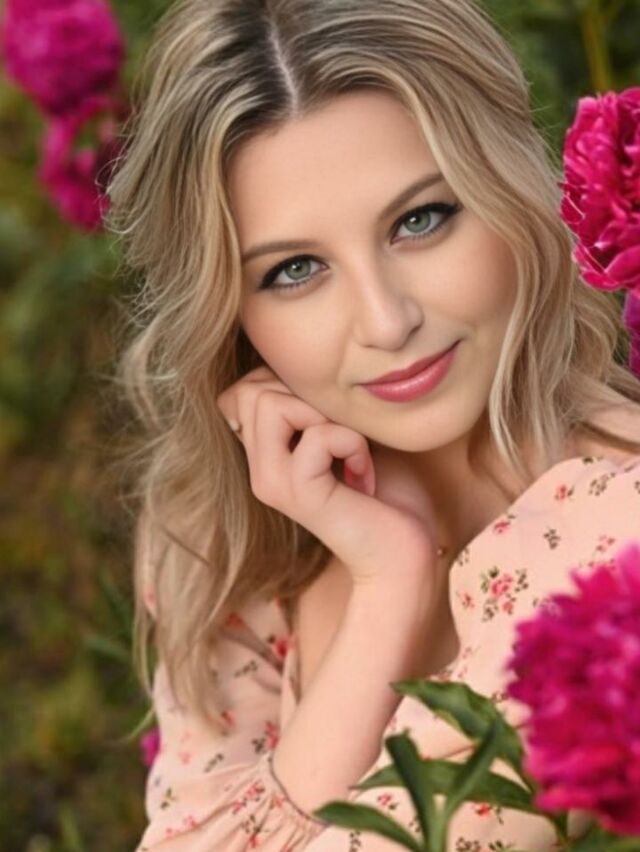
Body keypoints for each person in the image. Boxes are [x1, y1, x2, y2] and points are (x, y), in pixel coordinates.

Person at [105, 0, 640, 848]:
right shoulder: (226, 543)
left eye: (420, 220)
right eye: (295, 270)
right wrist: (387, 587)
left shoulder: (614, 542)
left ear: (509, 190)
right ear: (229, 313)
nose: (387, 323)